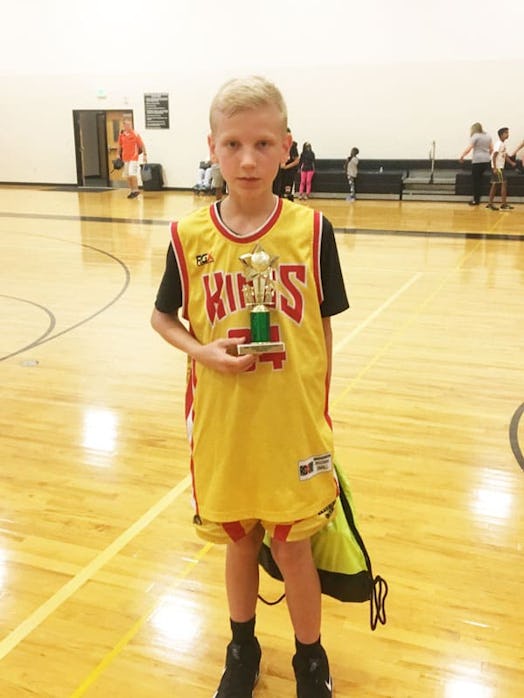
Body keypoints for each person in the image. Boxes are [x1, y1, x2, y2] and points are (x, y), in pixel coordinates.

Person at [151, 75, 349, 698]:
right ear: (211, 145)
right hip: (224, 423)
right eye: (233, 143)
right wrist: (201, 349)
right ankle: (242, 650)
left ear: (287, 147)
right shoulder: (189, 237)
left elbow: (323, 331)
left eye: (263, 143)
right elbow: (163, 317)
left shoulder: (312, 232)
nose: (247, 159)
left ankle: (309, 661)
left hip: (291, 427)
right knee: (239, 543)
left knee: (294, 551)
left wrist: (315, 410)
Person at [459, 122, 493, 206]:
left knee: (476, 181)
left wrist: (462, 155)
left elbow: (470, 148)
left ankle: (476, 200)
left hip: (477, 160)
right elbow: (491, 148)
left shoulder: (475, 136)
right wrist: (487, 155)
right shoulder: (488, 136)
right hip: (486, 160)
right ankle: (478, 198)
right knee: (481, 180)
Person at [487, 127, 517, 211]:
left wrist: (511, 163)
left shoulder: (502, 144)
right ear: (501, 135)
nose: (508, 134)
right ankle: (503, 204)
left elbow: (505, 155)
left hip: (499, 167)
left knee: (495, 185)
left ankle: (490, 204)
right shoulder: (499, 144)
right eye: (506, 133)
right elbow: (494, 155)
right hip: (498, 168)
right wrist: (495, 168)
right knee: (504, 183)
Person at [118, 118, 147, 199]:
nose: (128, 126)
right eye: (126, 125)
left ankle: (136, 190)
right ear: (124, 126)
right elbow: (120, 145)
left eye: (130, 125)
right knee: (127, 176)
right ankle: (132, 191)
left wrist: (145, 155)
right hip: (125, 158)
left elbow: (142, 145)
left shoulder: (135, 134)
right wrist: (118, 155)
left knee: (132, 174)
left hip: (133, 157)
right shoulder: (122, 135)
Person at [279, 127, 300, 200]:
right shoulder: (278, 145)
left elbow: (297, 161)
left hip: (289, 173)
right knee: (278, 193)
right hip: (280, 173)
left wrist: (286, 167)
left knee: (288, 193)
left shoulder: (293, 146)